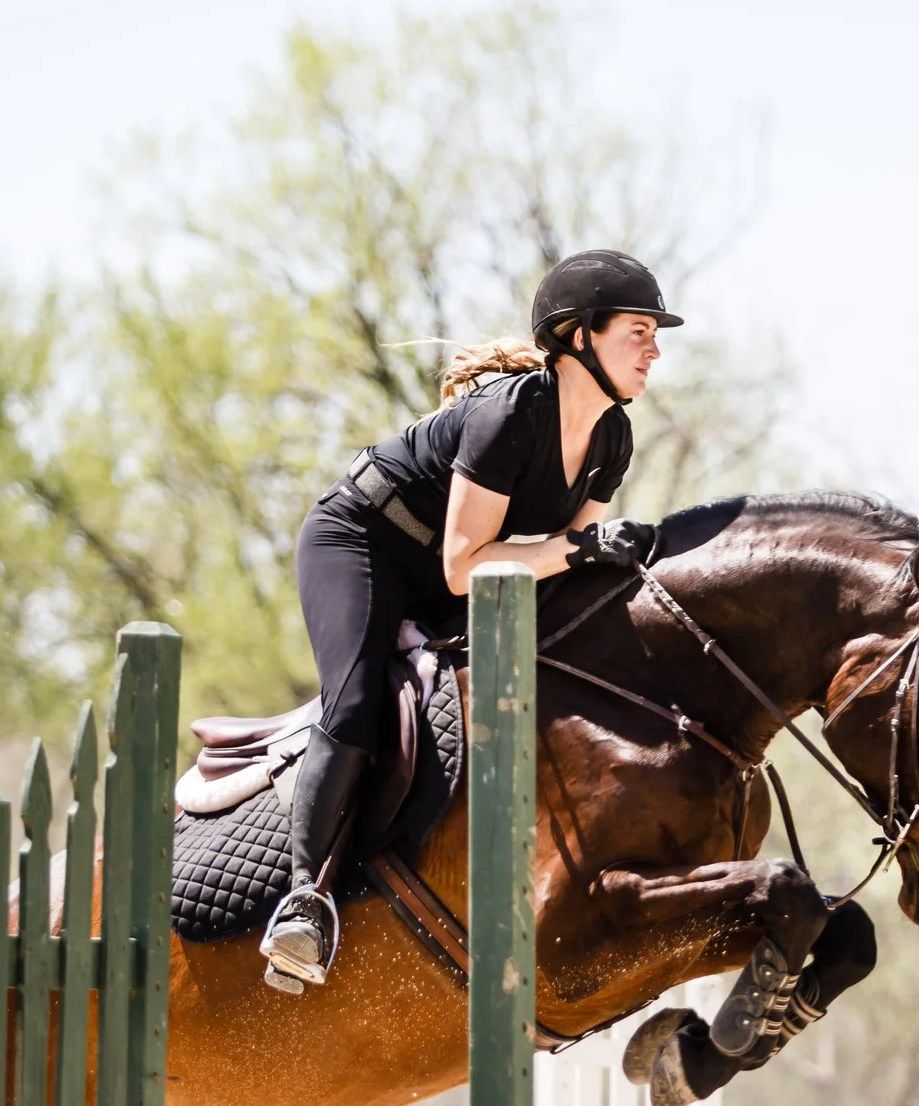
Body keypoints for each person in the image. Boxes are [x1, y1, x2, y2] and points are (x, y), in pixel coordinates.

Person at [260, 249, 681, 991]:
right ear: (579, 335)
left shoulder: (612, 436)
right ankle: (304, 900)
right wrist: (585, 546)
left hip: (451, 566)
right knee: (356, 701)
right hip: (364, 541)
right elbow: (465, 565)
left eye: (656, 333)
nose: (655, 349)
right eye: (639, 330)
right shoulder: (512, 411)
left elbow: (562, 566)